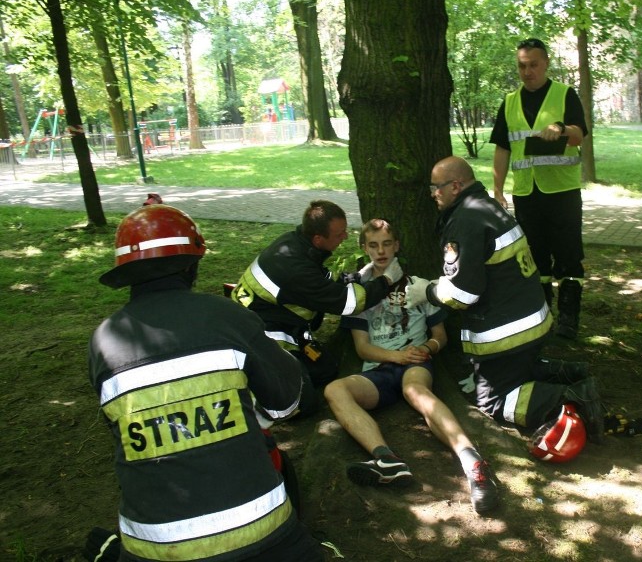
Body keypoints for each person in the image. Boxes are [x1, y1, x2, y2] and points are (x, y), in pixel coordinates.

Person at [88, 204, 324, 561]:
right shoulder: (227, 316)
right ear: (192, 263)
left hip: (154, 548)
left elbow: (121, 430)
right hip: (260, 533)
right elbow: (286, 404)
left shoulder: (102, 342)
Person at [405, 156, 605, 451]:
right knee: (518, 375)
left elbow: (463, 294)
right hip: (531, 322)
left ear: (456, 186)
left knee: (493, 401)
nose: (433, 193)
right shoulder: (486, 207)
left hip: (507, 334)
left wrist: (428, 291)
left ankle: (572, 398)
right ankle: (571, 372)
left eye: (436, 187)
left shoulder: (465, 222)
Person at [324, 219, 500, 515]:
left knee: (414, 390)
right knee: (334, 389)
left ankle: (473, 463)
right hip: (380, 369)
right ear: (364, 248)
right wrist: (396, 357)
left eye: (387, 244)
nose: (381, 251)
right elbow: (362, 348)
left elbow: (440, 337)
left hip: (416, 365)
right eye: (374, 245)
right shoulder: (360, 292)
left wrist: (424, 349)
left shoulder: (418, 285)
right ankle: (386, 459)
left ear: (397, 246)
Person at [231, 200, 403, 414]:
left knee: (326, 368)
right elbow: (348, 303)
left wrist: (357, 277)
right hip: (262, 338)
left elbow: (321, 283)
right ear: (319, 239)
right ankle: (253, 392)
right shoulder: (295, 268)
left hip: (266, 323)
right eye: (339, 234)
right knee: (304, 404)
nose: (345, 237)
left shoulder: (296, 244)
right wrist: (385, 281)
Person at [489, 37, 589, 340]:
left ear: (545, 63)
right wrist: (497, 189)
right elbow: (503, 149)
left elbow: (579, 135)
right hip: (526, 194)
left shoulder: (564, 94)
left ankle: (569, 318)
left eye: (533, 64)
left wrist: (561, 127)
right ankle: (541, 314)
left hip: (562, 192)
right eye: (522, 65)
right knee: (534, 257)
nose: (527, 71)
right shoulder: (508, 102)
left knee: (569, 255)